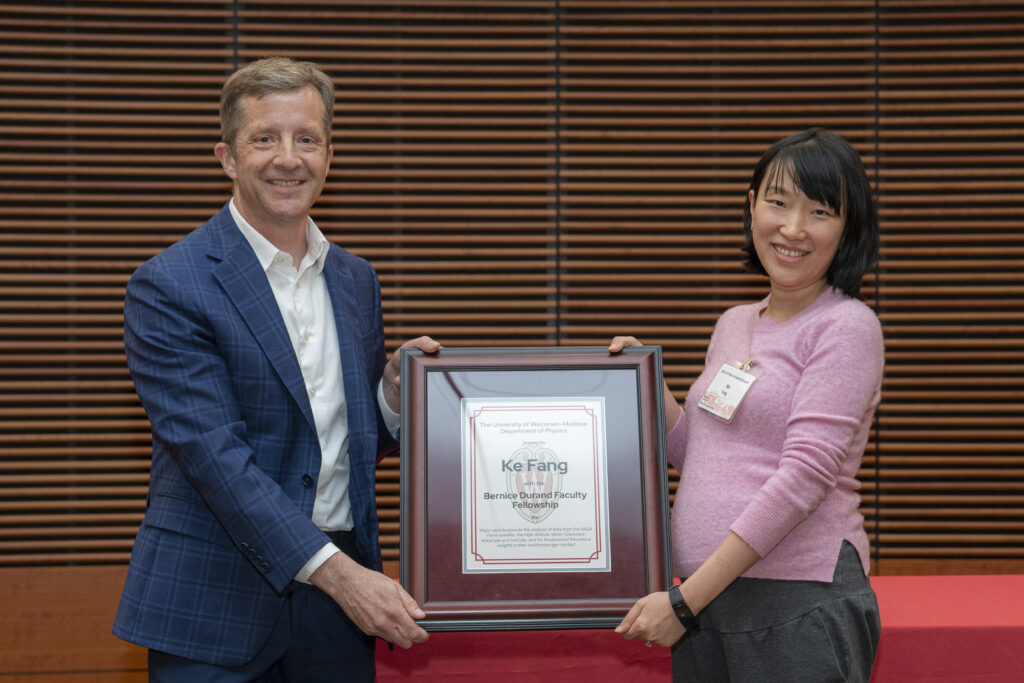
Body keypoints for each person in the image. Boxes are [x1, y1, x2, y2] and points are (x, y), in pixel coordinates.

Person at [113, 57, 438, 682]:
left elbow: (339, 444)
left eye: (306, 139)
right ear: (228, 157)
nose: (288, 158)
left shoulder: (355, 279)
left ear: (329, 155)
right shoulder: (169, 285)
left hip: (337, 611)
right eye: (265, 138)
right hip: (215, 601)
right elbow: (216, 458)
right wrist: (346, 581)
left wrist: (393, 399)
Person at [611, 128, 883, 682]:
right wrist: (644, 386)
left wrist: (687, 602)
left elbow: (803, 478)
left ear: (847, 228)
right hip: (711, 604)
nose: (793, 228)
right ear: (751, 203)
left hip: (796, 601)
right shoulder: (735, 323)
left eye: (820, 211)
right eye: (778, 203)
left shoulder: (846, 326)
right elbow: (706, 456)